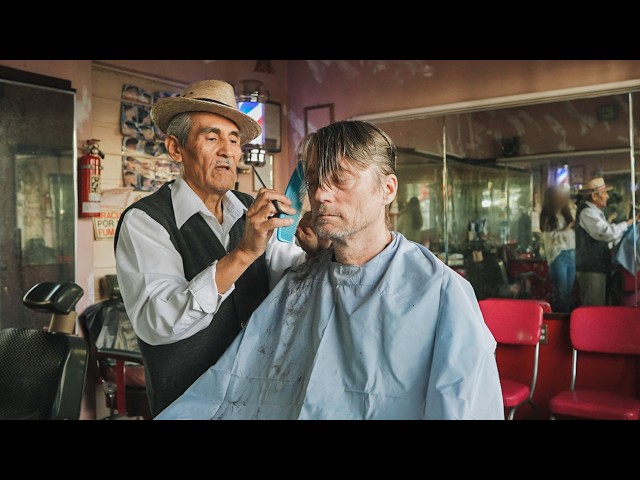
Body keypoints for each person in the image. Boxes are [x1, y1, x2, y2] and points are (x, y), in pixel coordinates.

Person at [156, 120, 504, 420]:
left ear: (388, 189)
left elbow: (466, 405)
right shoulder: (301, 280)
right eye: (314, 180)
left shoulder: (440, 292)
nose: (321, 194)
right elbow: (234, 384)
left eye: (340, 179)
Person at [114, 79, 327, 416]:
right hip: (189, 406)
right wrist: (243, 253)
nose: (228, 151)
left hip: (258, 398)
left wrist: (313, 251)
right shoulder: (146, 221)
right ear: (175, 148)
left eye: (233, 140)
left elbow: (290, 283)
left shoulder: (252, 209)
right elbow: (159, 321)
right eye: (211, 138)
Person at [575, 177, 638, 306]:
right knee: (593, 307)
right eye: (604, 193)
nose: (607, 197)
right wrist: (628, 223)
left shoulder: (595, 212)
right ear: (594, 196)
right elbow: (606, 233)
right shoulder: (587, 212)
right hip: (591, 268)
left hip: (599, 267)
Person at [540, 186, 575, 312]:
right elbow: (551, 237)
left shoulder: (567, 214)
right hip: (558, 254)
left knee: (569, 291)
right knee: (561, 292)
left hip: (571, 252)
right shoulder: (548, 217)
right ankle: (560, 319)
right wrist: (567, 228)